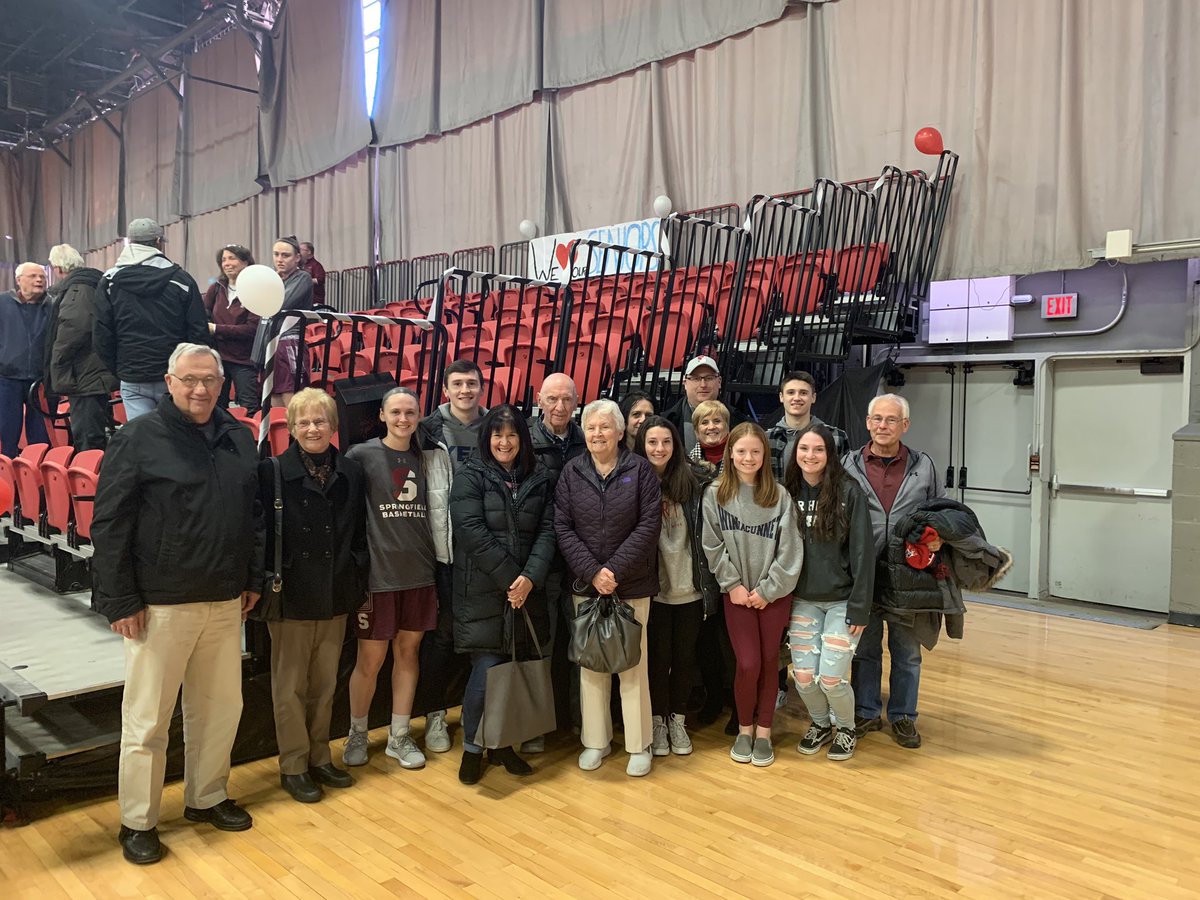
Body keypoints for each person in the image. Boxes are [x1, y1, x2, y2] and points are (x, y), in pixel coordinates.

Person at [91, 343, 263, 865]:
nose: (201, 389)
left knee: (219, 710)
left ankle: (206, 797)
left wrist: (251, 577)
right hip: (159, 604)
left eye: (209, 379)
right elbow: (110, 522)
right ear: (169, 381)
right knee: (147, 721)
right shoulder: (138, 437)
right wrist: (120, 598)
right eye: (190, 379)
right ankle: (138, 821)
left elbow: (253, 516)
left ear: (221, 381)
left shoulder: (238, 436)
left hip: (224, 598)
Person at [260, 388, 369, 803]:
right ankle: (293, 763)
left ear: (333, 426)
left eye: (320, 420)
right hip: (291, 593)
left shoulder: (351, 472)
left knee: (324, 683)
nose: (312, 428)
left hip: (336, 590)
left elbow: (358, 531)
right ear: (291, 427)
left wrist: (356, 573)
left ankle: (320, 755)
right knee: (289, 685)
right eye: (303, 422)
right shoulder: (271, 471)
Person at [343, 387, 452, 771]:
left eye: (410, 412)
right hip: (378, 578)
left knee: (408, 655)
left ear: (419, 415)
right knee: (370, 660)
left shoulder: (430, 457)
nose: (403, 419)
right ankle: (357, 731)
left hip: (420, 574)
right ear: (384, 416)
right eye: (396, 412)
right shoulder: (361, 455)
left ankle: (399, 736)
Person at [449, 405, 557, 784]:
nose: (505, 442)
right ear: (486, 438)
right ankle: (473, 749)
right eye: (498, 434)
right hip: (483, 591)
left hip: (526, 591)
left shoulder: (541, 478)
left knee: (514, 668)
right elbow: (471, 532)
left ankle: (502, 745)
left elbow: (549, 532)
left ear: (522, 440)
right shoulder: (469, 477)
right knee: (487, 671)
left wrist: (530, 578)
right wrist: (514, 579)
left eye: (512, 435)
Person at [554, 399, 661, 776]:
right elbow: (563, 528)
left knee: (633, 665)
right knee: (591, 666)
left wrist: (612, 570)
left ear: (619, 431)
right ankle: (595, 742)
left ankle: (639, 745)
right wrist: (592, 572)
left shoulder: (641, 471)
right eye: (591, 427)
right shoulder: (571, 472)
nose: (597, 433)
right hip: (586, 586)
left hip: (631, 585)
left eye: (604, 427)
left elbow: (648, 526)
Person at [842, 393, 944, 749]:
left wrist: (936, 539)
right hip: (863, 575)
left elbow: (938, 512)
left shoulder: (923, 465)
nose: (883, 426)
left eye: (891, 420)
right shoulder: (848, 465)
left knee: (907, 652)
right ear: (868, 423)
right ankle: (867, 711)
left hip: (908, 576)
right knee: (864, 650)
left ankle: (903, 716)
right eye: (877, 419)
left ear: (905, 425)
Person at [701, 422, 802, 768]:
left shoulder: (780, 496)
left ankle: (764, 732)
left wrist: (769, 589)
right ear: (731, 454)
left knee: (771, 663)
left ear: (764, 455)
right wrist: (734, 586)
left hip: (774, 595)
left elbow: (790, 551)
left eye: (755, 452)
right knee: (748, 663)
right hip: (738, 594)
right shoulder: (715, 493)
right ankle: (744, 729)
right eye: (741, 451)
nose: (748, 457)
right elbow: (712, 545)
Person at [782, 424, 874, 761]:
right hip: (802, 600)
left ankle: (846, 728)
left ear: (829, 455)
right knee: (804, 678)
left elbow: (863, 553)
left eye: (818, 449)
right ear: (796, 453)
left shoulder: (849, 493)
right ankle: (820, 724)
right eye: (804, 449)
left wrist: (860, 607)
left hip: (842, 602)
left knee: (831, 678)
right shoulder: (785, 491)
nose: (810, 456)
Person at [634, 415, 720, 758]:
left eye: (666, 442)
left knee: (685, 659)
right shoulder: (633, 482)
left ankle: (678, 720)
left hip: (690, 587)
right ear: (642, 445)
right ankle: (656, 721)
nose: (659, 449)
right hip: (652, 590)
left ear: (676, 445)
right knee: (656, 660)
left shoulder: (696, 479)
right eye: (652, 442)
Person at [418, 358, 489, 755]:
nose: (465, 391)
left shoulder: (495, 426)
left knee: (482, 638)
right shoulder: (427, 430)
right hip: (444, 551)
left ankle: (479, 714)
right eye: (458, 384)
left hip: (484, 550)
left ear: (482, 387)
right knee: (441, 638)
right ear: (446, 389)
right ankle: (434, 716)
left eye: (472, 383)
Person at [93, 218, 210, 421]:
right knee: (179, 437)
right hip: (175, 375)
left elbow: (102, 333)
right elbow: (198, 331)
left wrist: (120, 368)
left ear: (130, 243)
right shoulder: (181, 279)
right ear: (158, 242)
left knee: (144, 440)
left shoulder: (109, 281)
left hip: (132, 375)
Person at [529, 372, 586, 746]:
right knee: (542, 646)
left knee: (584, 645)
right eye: (552, 399)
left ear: (577, 401)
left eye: (566, 399)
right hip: (543, 558)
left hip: (581, 560)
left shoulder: (588, 438)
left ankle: (587, 723)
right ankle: (536, 728)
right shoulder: (525, 441)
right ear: (539, 399)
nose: (560, 407)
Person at [44, 245, 117, 451]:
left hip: (84, 374)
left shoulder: (78, 289)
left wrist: (56, 361)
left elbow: (74, 328)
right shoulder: (92, 284)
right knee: (94, 431)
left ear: (57, 268)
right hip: (94, 371)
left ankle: (92, 479)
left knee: (87, 437)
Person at [203, 245, 261, 415]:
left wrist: (216, 329)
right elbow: (204, 315)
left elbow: (251, 329)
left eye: (232, 258)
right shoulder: (216, 288)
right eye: (223, 260)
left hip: (244, 360)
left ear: (245, 262)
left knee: (249, 407)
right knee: (216, 407)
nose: (227, 263)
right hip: (218, 358)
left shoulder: (255, 290)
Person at [0, 261, 51, 457]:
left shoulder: (53, 305)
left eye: (42, 277)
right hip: (7, 379)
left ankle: (38, 482)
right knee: (7, 435)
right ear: (19, 280)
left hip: (40, 382)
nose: (39, 280)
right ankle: (7, 481)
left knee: (41, 438)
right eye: (33, 276)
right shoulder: (2, 303)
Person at [766, 371, 849, 480]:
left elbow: (844, 484)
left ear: (813, 397)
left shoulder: (837, 437)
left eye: (803, 393)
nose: (796, 398)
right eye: (791, 392)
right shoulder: (766, 439)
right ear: (781, 397)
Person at [267, 236, 314, 408]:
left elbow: (280, 304)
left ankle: (297, 435)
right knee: (274, 393)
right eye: (276, 254)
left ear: (297, 258)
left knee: (293, 398)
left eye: (285, 255)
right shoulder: (274, 279)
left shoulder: (303, 278)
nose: (279, 259)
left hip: (291, 341)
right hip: (272, 342)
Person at [663, 356, 743, 454]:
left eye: (709, 378)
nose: (703, 385)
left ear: (719, 382)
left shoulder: (739, 422)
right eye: (696, 378)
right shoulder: (666, 421)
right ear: (685, 383)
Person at [687, 399, 731, 474]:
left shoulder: (741, 458)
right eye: (704, 423)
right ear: (696, 431)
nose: (711, 427)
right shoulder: (687, 464)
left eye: (717, 421)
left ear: (727, 427)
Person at [299, 241, 326, 307]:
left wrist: (304, 280)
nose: (299, 252)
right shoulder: (302, 265)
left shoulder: (316, 265)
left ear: (309, 252)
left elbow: (320, 279)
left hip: (314, 301)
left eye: (301, 250)